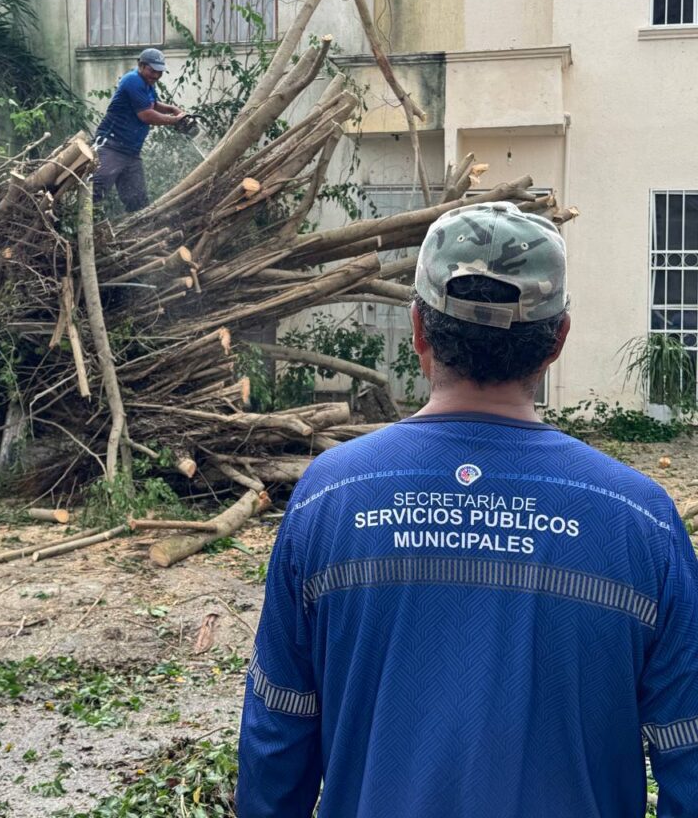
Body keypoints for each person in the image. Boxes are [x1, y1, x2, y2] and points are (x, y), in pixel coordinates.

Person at [237, 201, 698, 818]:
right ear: (557, 340)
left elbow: (276, 744)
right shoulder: (638, 522)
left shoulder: (328, 499)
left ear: (420, 329)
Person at [92, 47, 188, 212]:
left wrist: (173, 109)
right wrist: (175, 121)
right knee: (95, 190)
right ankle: (73, 223)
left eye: (160, 72)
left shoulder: (147, 83)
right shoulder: (133, 80)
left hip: (130, 152)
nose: (156, 76)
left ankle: (136, 234)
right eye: (153, 71)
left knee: (138, 201)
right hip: (111, 146)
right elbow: (146, 115)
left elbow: (153, 104)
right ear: (141, 65)